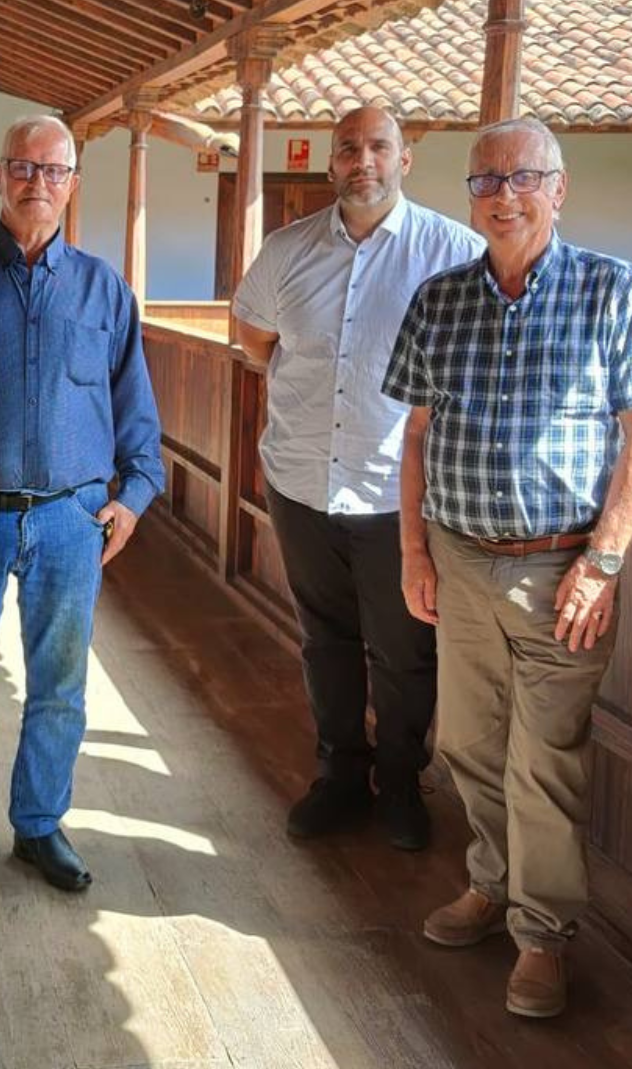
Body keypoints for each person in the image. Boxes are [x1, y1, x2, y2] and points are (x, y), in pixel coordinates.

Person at [380, 116, 632, 1019]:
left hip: (564, 573)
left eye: (522, 177)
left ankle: (542, 935)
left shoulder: (611, 290)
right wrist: (412, 552)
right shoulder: (441, 300)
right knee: (467, 744)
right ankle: (491, 883)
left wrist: (603, 562)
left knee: (543, 760)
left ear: (559, 188)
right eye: (484, 181)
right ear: (468, 195)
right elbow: (417, 439)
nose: (502, 194)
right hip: (459, 559)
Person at [0, 115, 165, 897]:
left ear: (73, 185)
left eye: (55, 172)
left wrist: (135, 499)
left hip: (69, 521)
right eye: (24, 167)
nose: (38, 184)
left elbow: (134, 406)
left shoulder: (104, 289)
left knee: (58, 685)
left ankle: (40, 824)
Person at [232, 107, 485, 852]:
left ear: (406, 159)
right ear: (331, 163)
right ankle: (341, 774)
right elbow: (254, 336)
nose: (363, 161)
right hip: (302, 477)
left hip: (396, 496)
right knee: (326, 639)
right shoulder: (288, 251)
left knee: (404, 649)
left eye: (380, 147)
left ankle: (401, 784)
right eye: (349, 149)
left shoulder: (452, 253)